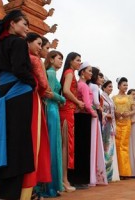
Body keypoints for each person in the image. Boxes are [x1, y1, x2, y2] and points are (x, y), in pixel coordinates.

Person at [0, 10, 36, 200]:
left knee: (3, 139)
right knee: (18, 141)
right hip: (19, 93)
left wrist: (4, 88)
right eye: (24, 23)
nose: (27, 28)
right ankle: (12, 192)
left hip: (2, 95)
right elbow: (21, 69)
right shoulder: (18, 43)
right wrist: (31, 83)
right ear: (12, 24)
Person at [23, 32, 52, 199]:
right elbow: (44, 85)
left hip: (20, 100)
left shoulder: (20, 57)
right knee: (36, 142)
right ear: (28, 43)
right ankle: (30, 189)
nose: (40, 48)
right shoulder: (35, 60)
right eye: (39, 44)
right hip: (34, 101)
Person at [39, 50, 66, 197]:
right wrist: (62, 99)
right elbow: (47, 93)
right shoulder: (50, 73)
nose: (61, 61)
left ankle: (52, 185)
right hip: (51, 110)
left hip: (53, 110)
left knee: (54, 146)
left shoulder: (52, 73)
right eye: (59, 58)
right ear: (51, 59)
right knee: (52, 147)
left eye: (62, 59)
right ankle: (48, 186)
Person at [68, 62, 95, 189]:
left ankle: (77, 178)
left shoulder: (79, 85)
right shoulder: (83, 86)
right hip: (83, 116)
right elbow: (88, 104)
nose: (91, 73)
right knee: (83, 148)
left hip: (79, 116)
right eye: (89, 71)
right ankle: (80, 179)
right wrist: (94, 113)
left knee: (79, 148)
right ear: (82, 72)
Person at [59, 52, 84, 192]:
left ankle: (65, 179)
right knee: (66, 146)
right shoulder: (69, 73)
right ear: (71, 61)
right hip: (66, 111)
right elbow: (66, 91)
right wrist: (78, 101)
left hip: (69, 110)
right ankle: (64, 180)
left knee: (67, 146)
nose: (80, 63)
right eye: (78, 60)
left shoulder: (70, 73)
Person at [87, 67, 108, 186]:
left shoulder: (88, 85)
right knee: (95, 144)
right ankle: (95, 175)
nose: (102, 79)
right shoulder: (94, 87)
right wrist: (102, 112)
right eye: (100, 76)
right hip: (95, 115)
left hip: (89, 115)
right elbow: (95, 102)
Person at [113, 77, 135, 179]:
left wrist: (128, 113)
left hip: (126, 123)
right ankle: (117, 172)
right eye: (124, 85)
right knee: (117, 145)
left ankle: (125, 172)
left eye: (126, 85)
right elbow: (112, 110)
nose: (126, 87)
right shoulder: (113, 98)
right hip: (117, 123)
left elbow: (133, 111)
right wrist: (115, 113)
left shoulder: (129, 97)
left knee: (124, 146)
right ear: (119, 86)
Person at [101, 79, 120, 182]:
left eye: (112, 87)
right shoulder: (101, 97)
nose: (111, 88)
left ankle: (111, 174)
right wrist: (105, 114)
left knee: (111, 148)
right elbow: (98, 109)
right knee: (106, 148)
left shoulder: (110, 99)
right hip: (105, 125)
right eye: (109, 86)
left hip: (111, 124)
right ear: (103, 87)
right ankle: (105, 174)